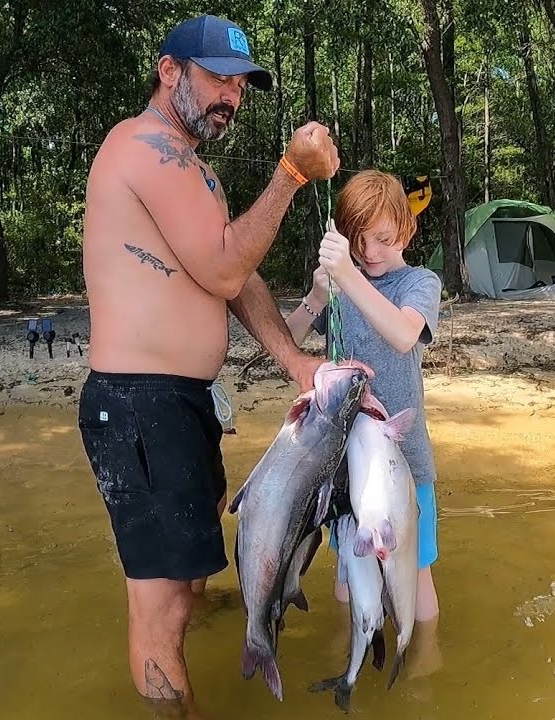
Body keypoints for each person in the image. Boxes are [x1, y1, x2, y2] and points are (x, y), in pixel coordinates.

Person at [77, 13, 355, 716]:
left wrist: (294, 360)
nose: (231, 96)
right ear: (169, 70)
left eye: (240, 85)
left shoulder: (193, 170)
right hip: (139, 406)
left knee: (192, 583)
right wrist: (291, 174)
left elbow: (239, 279)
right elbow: (227, 266)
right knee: (162, 608)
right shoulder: (142, 148)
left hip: (181, 404)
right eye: (217, 79)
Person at [285, 170, 443, 627]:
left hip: (406, 464)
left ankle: (424, 667)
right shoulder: (339, 284)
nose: (370, 252)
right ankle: (353, 661)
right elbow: (286, 340)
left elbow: (402, 334)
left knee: (413, 574)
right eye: (358, 241)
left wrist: (348, 275)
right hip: (344, 464)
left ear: (406, 230)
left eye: (383, 238)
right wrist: (318, 294)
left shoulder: (420, 282)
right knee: (348, 579)